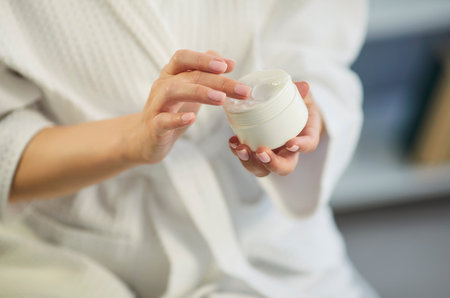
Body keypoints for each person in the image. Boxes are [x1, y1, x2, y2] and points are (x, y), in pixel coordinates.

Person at [0, 0, 378, 297]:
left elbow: (317, 43)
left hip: (268, 231)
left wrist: (304, 117)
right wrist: (131, 140)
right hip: (97, 246)